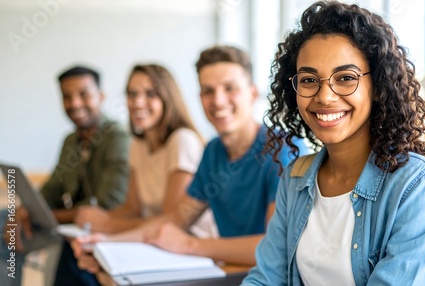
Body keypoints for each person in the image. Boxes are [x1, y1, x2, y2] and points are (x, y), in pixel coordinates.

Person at [242, 1, 425, 285]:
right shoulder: (295, 179)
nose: (325, 97)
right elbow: (265, 278)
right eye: (309, 79)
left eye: (345, 78)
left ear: (378, 85)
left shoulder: (418, 185)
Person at [72, 46, 310, 278]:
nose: (218, 100)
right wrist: (103, 243)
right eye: (208, 91)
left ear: (252, 94)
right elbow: (175, 220)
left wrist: (189, 244)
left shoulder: (285, 148)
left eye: (230, 88)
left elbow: (275, 249)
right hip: (234, 272)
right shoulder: (214, 151)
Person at [55, 64, 216, 285]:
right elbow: (132, 209)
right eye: (132, 94)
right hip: (150, 242)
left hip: (185, 247)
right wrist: (98, 221)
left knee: (95, 266)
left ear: (167, 98)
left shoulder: (182, 140)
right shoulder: (137, 145)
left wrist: (109, 226)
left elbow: (171, 223)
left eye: (149, 94)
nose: (138, 102)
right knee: (81, 252)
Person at [0, 66, 130, 286]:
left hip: (100, 227)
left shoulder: (117, 138)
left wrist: (46, 216)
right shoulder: (72, 141)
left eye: (83, 94)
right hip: (70, 224)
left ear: (101, 96)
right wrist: (25, 209)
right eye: (67, 97)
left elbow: (107, 205)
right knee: (7, 221)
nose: (75, 103)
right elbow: (51, 189)